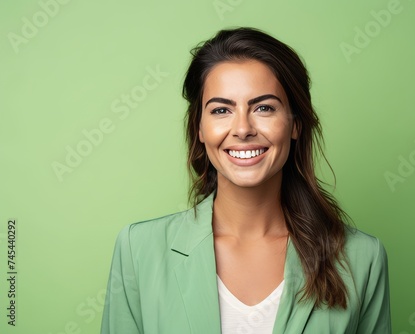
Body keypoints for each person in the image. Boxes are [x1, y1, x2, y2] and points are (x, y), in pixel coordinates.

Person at [101, 27, 392, 334]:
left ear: (295, 124)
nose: (242, 128)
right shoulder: (138, 250)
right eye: (221, 109)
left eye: (264, 107)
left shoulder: (362, 259)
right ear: (199, 128)